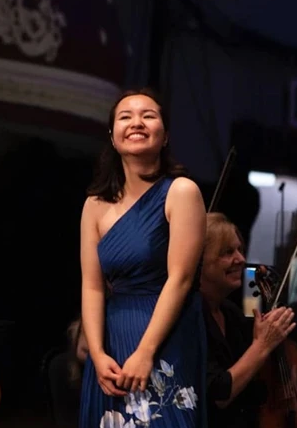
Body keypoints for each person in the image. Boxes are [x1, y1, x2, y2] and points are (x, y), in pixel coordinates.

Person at [79, 88, 207, 427]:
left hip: (163, 335)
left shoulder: (181, 191)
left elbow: (180, 279)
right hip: (112, 338)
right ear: (112, 136)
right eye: (125, 117)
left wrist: (146, 351)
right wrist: (96, 353)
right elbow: (92, 287)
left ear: (165, 135)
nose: (136, 122)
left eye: (148, 116)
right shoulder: (94, 205)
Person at [200, 213, 297, 428]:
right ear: (199, 259)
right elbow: (219, 394)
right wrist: (262, 345)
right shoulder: (189, 316)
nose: (241, 259)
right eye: (227, 252)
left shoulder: (231, 313)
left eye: (240, 250)